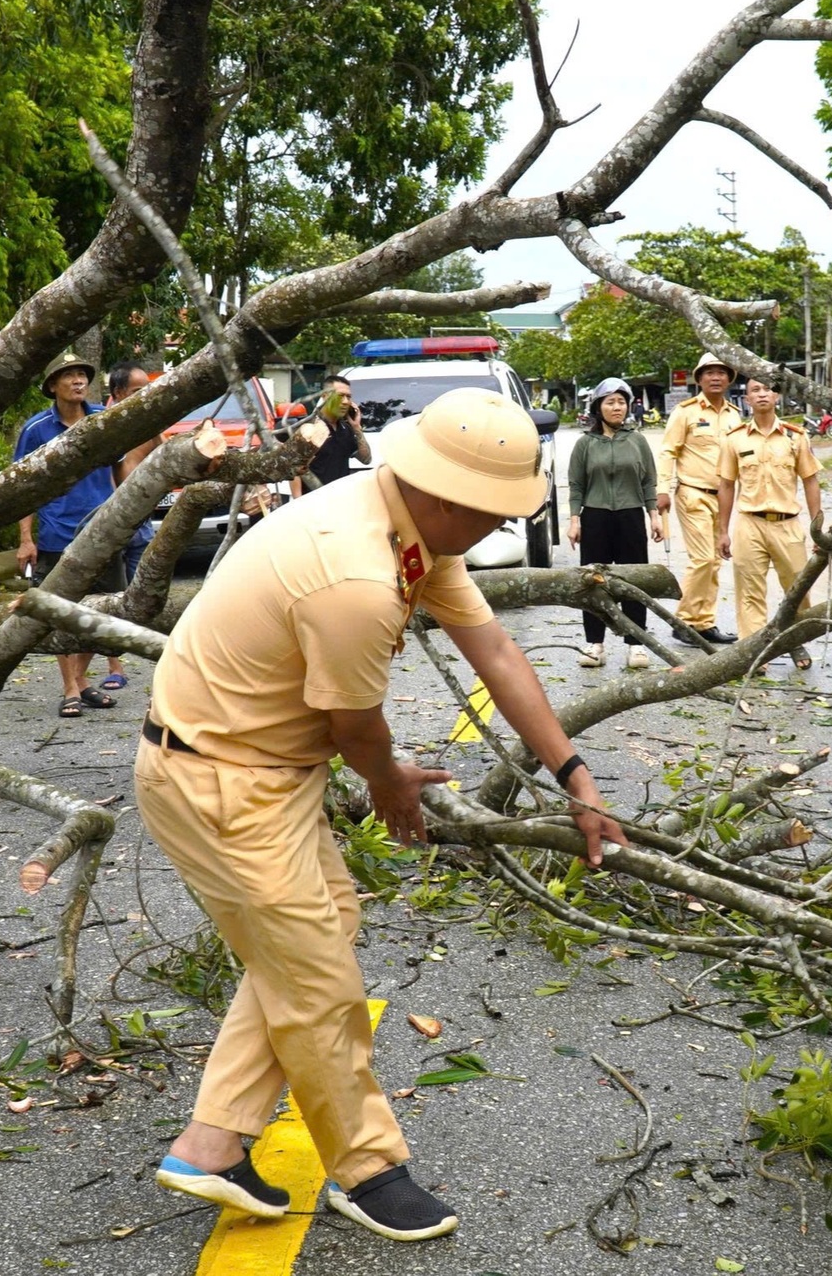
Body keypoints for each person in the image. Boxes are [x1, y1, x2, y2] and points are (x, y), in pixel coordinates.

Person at [137, 387, 625, 1244]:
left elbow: (497, 653)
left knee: (318, 936)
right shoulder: (356, 573)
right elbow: (355, 728)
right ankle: (368, 1170)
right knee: (318, 979)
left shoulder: (410, 524)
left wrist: (576, 774)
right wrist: (392, 785)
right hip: (217, 779)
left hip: (268, 771)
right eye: (491, 513)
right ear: (446, 495)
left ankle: (209, 1143)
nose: (495, 528)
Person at [14, 350, 127, 718]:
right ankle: (68, 689)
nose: (78, 380)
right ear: (52, 386)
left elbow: (121, 470)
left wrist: (128, 516)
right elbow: (21, 488)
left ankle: (80, 681)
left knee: (106, 611)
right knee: (61, 613)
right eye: (69, 375)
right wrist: (26, 539)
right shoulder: (36, 430)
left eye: (82, 374)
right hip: (57, 535)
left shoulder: (103, 420)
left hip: (103, 531)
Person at [716, 377, 824, 669]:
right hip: (749, 523)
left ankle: (793, 640)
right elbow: (726, 486)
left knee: (798, 590)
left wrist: (818, 528)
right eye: (755, 390)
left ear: (777, 397)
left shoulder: (796, 437)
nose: (762, 394)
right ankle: (753, 653)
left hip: (787, 524)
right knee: (749, 591)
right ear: (747, 399)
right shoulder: (734, 438)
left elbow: (811, 481)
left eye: (768, 389)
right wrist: (722, 531)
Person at [566, 377, 663, 670]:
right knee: (593, 582)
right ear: (599, 407)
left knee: (632, 581)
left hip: (630, 516)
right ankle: (595, 643)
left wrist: (654, 515)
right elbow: (576, 485)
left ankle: (635, 644)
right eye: (610, 402)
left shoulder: (637, 441)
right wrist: (574, 520)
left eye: (621, 401)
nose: (616, 407)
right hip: (595, 517)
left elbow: (649, 481)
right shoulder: (585, 444)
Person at [657, 351, 744, 644]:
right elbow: (669, 451)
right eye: (709, 372)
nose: (716, 377)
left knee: (716, 560)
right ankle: (683, 621)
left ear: (729, 379)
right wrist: (662, 489)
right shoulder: (686, 411)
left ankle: (703, 623)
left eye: (721, 372)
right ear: (700, 379)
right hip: (692, 494)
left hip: (724, 496)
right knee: (703, 559)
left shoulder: (734, 415)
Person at [101, 361, 158, 692]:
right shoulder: (103, 426)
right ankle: (114, 664)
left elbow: (165, 453)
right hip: (110, 522)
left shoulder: (148, 423)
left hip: (143, 521)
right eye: (139, 391)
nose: (146, 395)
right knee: (109, 595)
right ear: (118, 393)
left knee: (144, 593)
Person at [305, 373, 373, 488]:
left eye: (348, 397)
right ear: (325, 396)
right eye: (340, 396)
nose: (346, 402)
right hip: (314, 500)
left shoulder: (345, 429)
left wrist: (357, 428)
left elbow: (366, 460)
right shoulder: (310, 427)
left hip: (340, 498)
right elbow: (295, 470)